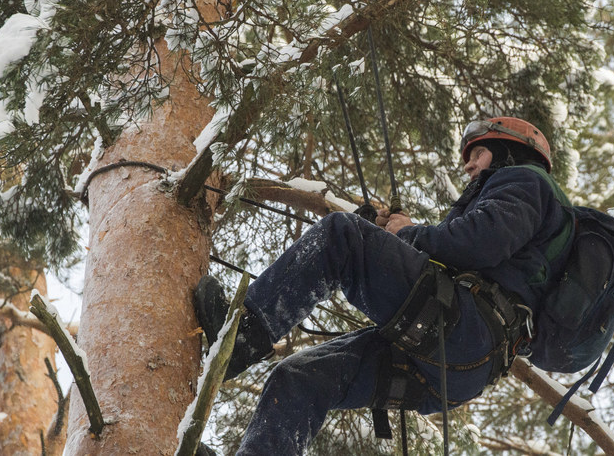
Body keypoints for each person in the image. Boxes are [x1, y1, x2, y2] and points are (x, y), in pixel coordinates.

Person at [194, 117, 572, 456]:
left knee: (340, 235)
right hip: (459, 366)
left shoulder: (525, 179)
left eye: (479, 153)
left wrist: (404, 233)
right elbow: (459, 259)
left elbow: (478, 243)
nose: (469, 165)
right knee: (301, 376)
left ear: (510, 150)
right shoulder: (520, 204)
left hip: (464, 329)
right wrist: (388, 238)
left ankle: (241, 341)